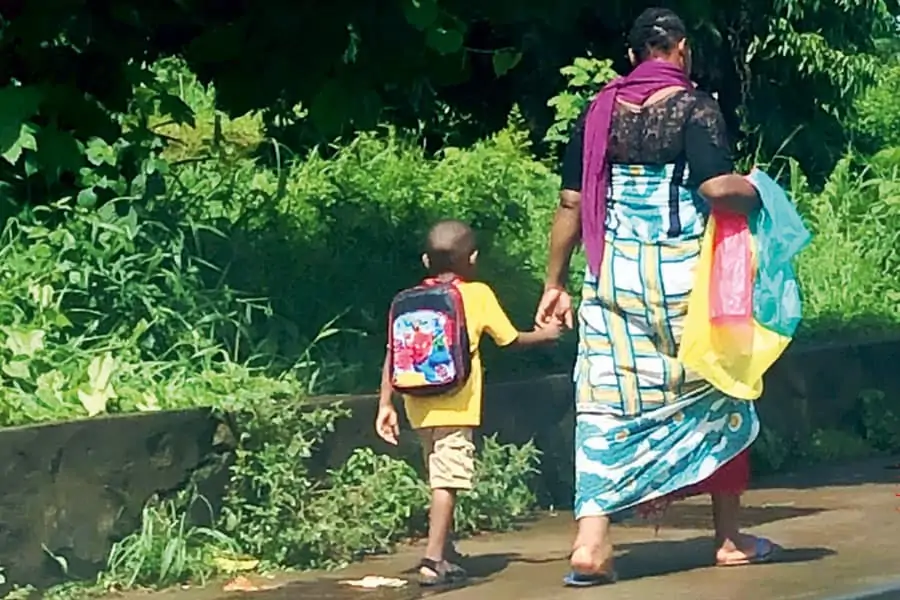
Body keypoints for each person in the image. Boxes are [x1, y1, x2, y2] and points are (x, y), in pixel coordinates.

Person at [534, 7, 781, 587]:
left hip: (613, 276)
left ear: (633, 56)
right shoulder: (696, 107)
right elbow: (716, 188)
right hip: (684, 280)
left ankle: (591, 542)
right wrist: (761, 191)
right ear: (682, 50)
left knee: (603, 396)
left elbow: (571, 204)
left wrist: (554, 283)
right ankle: (728, 540)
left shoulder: (598, 112)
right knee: (720, 389)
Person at [376, 219, 562, 586]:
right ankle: (433, 560)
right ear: (472, 259)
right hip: (456, 404)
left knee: (437, 472)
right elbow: (509, 340)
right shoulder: (476, 294)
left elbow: (393, 353)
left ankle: (445, 549)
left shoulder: (409, 299)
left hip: (417, 404)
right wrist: (545, 335)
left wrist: (386, 404)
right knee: (447, 480)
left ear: (426, 261)